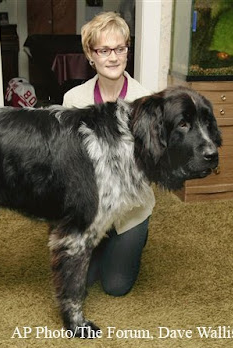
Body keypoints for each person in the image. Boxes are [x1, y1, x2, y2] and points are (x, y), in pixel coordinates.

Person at [62, 11, 155, 296]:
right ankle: (100, 245)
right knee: (85, 280)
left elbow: (149, 169)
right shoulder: (74, 100)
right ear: (91, 55)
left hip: (130, 209)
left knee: (115, 286)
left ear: (128, 50)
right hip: (89, 209)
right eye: (104, 50)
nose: (113, 57)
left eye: (120, 49)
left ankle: (130, 238)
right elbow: (67, 162)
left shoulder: (147, 101)